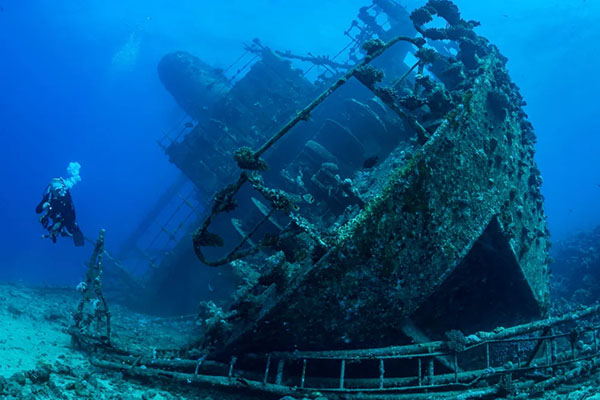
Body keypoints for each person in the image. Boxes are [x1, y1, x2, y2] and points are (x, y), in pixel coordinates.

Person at [36, 163, 85, 246]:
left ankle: (67, 233)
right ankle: (59, 231)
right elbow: (37, 210)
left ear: (62, 187)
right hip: (55, 215)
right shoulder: (49, 196)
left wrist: (62, 223)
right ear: (52, 189)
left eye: (58, 189)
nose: (57, 192)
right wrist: (43, 206)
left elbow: (72, 213)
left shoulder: (65, 195)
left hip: (65, 216)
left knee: (72, 229)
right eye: (55, 190)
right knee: (57, 228)